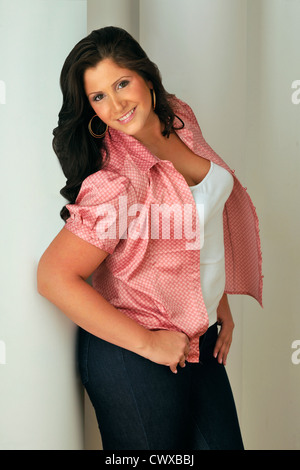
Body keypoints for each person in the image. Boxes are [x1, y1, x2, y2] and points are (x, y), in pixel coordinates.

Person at [37, 26, 263, 450]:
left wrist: (219, 303)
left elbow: (198, 222)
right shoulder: (116, 181)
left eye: (122, 83)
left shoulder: (179, 117)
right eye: (98, 96)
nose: (117, 104)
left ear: (145, 76)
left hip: (199, 337)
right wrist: (150, 344)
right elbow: (53, 277)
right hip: (133, 352)